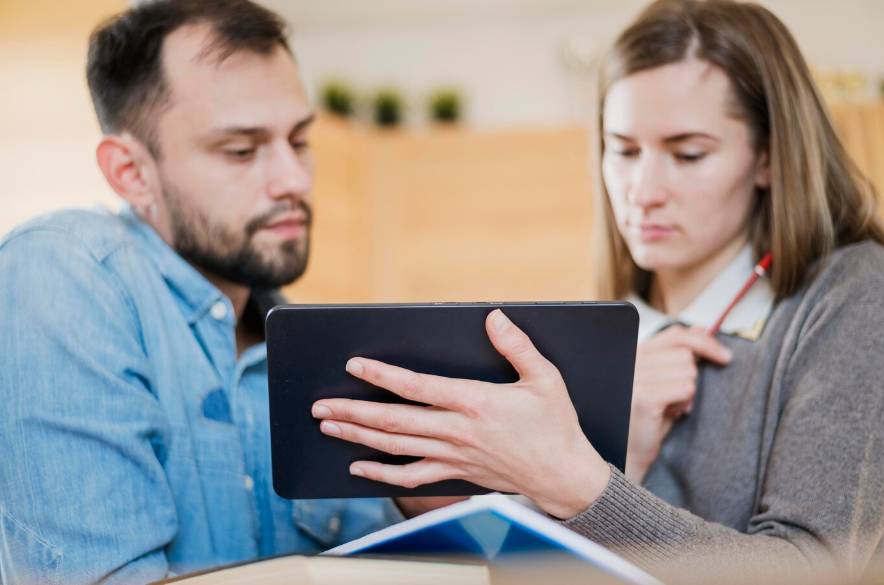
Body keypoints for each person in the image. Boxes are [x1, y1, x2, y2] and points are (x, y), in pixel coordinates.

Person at [309, 0, 884, 583]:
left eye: (688, 154)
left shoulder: (849, 294)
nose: (644, 191)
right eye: (624, 150)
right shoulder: (583, 340)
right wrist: (444, 501)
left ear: (768, 156)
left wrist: (581, 480)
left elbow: (817, 573)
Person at [0, 1, 449, 583]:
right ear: (132, 174)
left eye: (300, 139)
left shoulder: (314, 347)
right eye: (241, 150)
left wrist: (436, 519)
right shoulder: (62, 271)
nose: (294, 180)